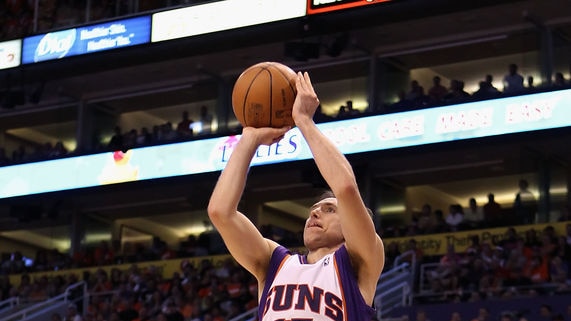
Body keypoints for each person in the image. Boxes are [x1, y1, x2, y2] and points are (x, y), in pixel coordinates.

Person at [207, 71, 385, 321]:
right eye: (316, 207)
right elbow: (220, 213)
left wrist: (304, 121)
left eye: (330, 209)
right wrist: (249, 139)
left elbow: (345, 188)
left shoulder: (361, 259)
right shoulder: (274, 262)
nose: (315, 212)